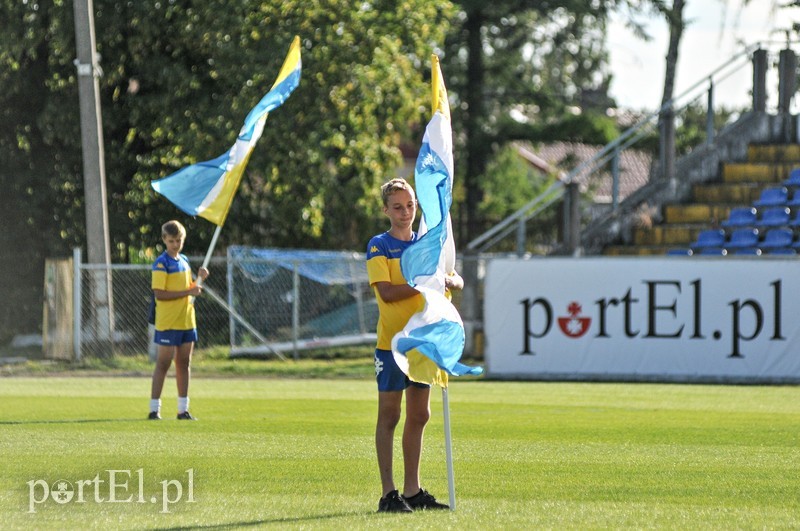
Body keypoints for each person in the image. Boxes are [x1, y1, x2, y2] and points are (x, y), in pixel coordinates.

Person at [366, 177, 462, 512]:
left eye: (409, 205)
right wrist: (424, 284)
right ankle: (388, 493)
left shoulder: (427, 244)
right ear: (386, 210)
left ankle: (412, 490)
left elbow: (453, 276)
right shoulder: (379, 245)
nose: (405, 212)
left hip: (423, 342)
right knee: (390, 415)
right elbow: (386, 292)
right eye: (397, 207)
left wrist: (449, 281)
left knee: (420, 414)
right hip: (392, 344)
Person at [148, 220, 209, 421]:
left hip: (186, 320)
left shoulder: (183, 260)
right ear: (164, 240)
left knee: (184, 363)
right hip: (168, 322)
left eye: (178, 240)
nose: (175, 244)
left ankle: (183, 410)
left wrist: (200, 279)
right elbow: (159, 294)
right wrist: (188, 292)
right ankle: (154, 409)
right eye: (171, 241)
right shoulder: (161, 263)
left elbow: (188, 288)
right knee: (163, 364)